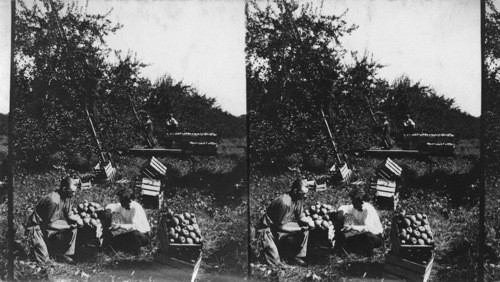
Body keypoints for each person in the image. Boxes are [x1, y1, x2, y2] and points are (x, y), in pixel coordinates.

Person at [25, 176, 81, 264]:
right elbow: (49, 225)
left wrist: (78, 220)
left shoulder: (67, 197)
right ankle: (33, 246)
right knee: (44, 261)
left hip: (49, 223)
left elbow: (69, 214)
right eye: (72, 191)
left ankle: (65, 254)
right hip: (36, 228)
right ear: (64, 189)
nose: (74, 194)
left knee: (74, 227)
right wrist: (68, 227)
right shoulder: (53, 201)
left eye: (75, 192)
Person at [257, 178, 310, 266]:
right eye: (303, 194)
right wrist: (299, 229)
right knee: (275, 263)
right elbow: (279, 227)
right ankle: (276, 249)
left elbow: (300, 216)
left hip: (280, 225)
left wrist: (310, 223)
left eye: (306, 194)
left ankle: (297, 256)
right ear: (295, 191)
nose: (305, 196)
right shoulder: (284, 203)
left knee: (305, 230)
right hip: (267, 229)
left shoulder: (298, 199)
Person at [335, 187, 384, 257]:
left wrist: (352, 227)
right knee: (348, 241)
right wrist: (341, 212)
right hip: (363, 234)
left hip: (375, 237)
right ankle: (355, 252)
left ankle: (368, 256)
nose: (352, 203)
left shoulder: (368, 210)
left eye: (354, 201)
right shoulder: (355, 206)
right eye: (352, 201)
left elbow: (368, 228)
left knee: (367, 236)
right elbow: (346, 207)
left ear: (362, 201)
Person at [102, 188, 151, 255]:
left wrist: (120, 226)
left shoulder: (136, 208)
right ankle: (125, 250)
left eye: (122, 201)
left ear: (130, 200)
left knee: (135, 234)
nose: (121, 202)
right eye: (120, 200)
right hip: (131, 234)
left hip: (142, 236)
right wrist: (109, 210)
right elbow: (113, 206)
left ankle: (136, 256)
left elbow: (135, 227)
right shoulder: (123, 205)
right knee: (114, 241)